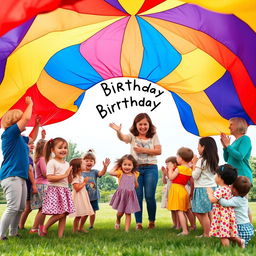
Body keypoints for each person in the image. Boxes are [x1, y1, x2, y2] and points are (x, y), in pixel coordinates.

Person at [109, 113, 161, 230]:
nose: (143, 127)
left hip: (151, 168)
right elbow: (124, 138)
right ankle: (139, 223)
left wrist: (141, 149)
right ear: (136, 125)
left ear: (149, 124)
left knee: (149, 196)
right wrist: (118, 131)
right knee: (137, 196)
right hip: (136, 170)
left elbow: (158, 151)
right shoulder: (132, 135)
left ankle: (151, 221)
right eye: (140, 124)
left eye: (145, 124)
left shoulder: (154, 135)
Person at [0, 97, 39, 240]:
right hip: (11, 176)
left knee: (21, 208)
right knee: (12, 207)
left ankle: (13, 232)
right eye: (21, 120)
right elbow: (26, 117)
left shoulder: (20, 139)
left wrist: (37, 124)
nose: (25, 122)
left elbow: (32, 138)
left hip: (20, 177)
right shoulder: (9, 134)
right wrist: (30, 104)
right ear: (14, 122)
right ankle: (1, 234)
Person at [38, 137, 75, 238]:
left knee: (65, 213)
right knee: (60, 213)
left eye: (65, 147)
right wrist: (64, 175)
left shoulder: (67, 164)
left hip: (64, 190)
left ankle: (60, 236)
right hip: (55, 190)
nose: (63, 150)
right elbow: (49, 178)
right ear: (53, 150)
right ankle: (45, 228)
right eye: (60, 148)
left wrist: (70, 174)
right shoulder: (52, 162)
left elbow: (69, 180)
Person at [207, 164, 244, 247]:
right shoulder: (229, 188)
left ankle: (226, 251)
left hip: (222, 215)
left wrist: (209, 193)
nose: (215, 176)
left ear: (220, 177)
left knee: (223, 236)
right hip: (228, 215)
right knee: (230, 233)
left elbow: (213, 200)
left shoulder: (220, 189)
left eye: (216, 174)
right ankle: (240, 241)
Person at [191, 137, 218, 237]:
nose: (197, 148)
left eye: (199, 146)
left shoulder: (201, 161)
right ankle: (212, 231)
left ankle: (207, 233)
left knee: (201, 213)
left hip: (202, 189)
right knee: (209, 211)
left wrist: (194, 163)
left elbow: (195, 176)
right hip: (212, 188)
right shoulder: (213, 160)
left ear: (204, 147)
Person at [217, 176, 254, 247]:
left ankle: (239, 240)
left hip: (240, 228)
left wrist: (218, 198)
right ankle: (241, 244)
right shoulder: (244, 199)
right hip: (247, 227)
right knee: (239, 245)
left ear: (235, 190)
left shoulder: (236, 200)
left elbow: (225, 203)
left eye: (232, 186)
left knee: (225, 234)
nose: (230, 186)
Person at [79, 150, 110, 230]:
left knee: (93, 212)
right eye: (87, 160)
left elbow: (101, 173)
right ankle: (80, 226)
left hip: (94, 196)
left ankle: (91, 225)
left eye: (91, 161)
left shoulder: (94, 172)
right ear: (83, 162)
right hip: (84, 197)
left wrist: (105, 167)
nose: (89, 162)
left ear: (94, 163)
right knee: (84, 213)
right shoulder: (81, 173)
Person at [166, 148, 194, 236]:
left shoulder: (179, 168)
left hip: (177, 189)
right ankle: (193, 226)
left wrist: (170, 169)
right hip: (183, 189)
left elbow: (171, 178)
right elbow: (192, 182)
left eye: (177, 156)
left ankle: (185, 230)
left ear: (181, 158)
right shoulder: (189, 170)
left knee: (179, 211)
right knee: (186, 210)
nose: (176, 158)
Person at [109, 154, 140, 232]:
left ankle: (127, 231)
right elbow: (111, 172)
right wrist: (117, 165)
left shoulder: (135, 174)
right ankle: (118, 220)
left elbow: (136, 185)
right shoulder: (120, 173)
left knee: (128, 213)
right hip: (122, 196)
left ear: (133, 166)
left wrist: (135, 182)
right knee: (120, 213)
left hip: (130, 196)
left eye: (129, 165)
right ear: (121, 165)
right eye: (125, 164)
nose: (127, 166)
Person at [220, 117, 252, 182]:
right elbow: (226, 159)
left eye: (231, 124)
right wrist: (225, 147)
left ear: (238, 125)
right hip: (233, 176)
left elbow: (240, 156)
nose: (229, 127)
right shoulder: (234, 142)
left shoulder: (245, 139)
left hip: (243, 176)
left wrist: (228, 146)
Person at [69, 158, 94, 233]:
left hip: (83, 197)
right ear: (79, 167)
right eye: (83, 163)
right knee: (78, 215)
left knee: (86, 213)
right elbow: (76, 188)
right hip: (78, 198)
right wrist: (84, 182)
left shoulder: (81, 176)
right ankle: (74, 230)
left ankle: (80, 228)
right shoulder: (75, 177)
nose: (85, 164)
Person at [29, 138, 48, 233]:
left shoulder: (39, 159)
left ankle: (40, 228)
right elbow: (45, 173)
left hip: (40, 184)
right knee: (44, 208)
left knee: (42, 208)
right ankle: (34, 228)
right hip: (43, 185)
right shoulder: (42, 159)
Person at [18, 141, 38, 230]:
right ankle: (19, 225)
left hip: (27, 185)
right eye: (30, 144)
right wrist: (34, 184)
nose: (32, 145)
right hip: (27, 185)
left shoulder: (28, 156)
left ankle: (19, 225)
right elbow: (30, 170)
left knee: (27, 207)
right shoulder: (27, 157)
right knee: (27, 208)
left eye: (33, 143)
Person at [161, 157, 180, 229]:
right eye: (166, 164)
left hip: (175, 191)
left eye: (168, 164)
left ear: (174, 164)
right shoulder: (169, 171)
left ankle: (179, 224)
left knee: (176, 209)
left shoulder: (176, 171)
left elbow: (172, 178)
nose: (167, 165)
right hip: (169, 192)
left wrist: (168, 173)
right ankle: (174, 223)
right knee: (172, 209)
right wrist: (164, 174)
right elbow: (164, 182)